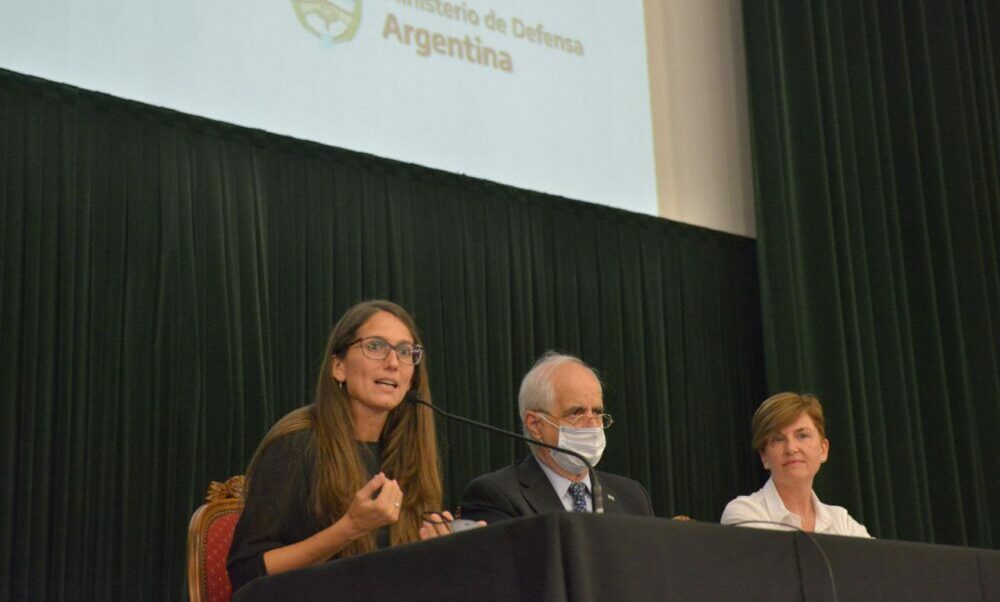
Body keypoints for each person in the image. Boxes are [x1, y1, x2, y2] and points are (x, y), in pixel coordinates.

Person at [227, 300, 455, 594]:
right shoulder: (296, 444)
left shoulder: (410, 448)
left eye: (405, 351)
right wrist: (350, 527)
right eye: (375, 346)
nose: (393, 362)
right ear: (338, 367)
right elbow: (246, 573)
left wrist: (441, 547)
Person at [458, 352, 654, 523]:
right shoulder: (497, 496)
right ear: (535, 425)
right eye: (576, 413)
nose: (593, 424)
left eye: (597, 412)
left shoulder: (632, 497)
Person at [720, 392, 872, 537]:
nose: (791, 448)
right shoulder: (745, 513)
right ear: (765, 457)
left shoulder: (842, 521)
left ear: (823, 450)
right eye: (778, 439)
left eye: (802, 436)